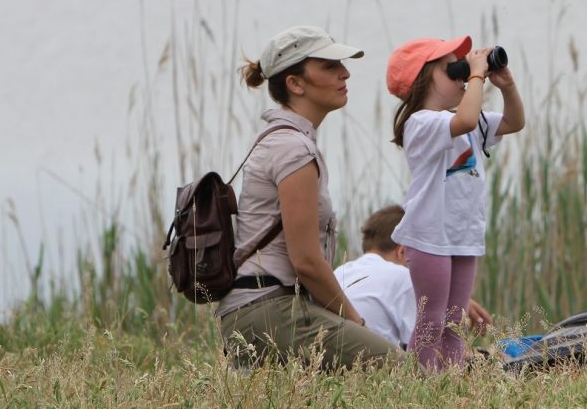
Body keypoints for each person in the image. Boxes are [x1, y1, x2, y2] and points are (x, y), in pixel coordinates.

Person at [217, 26, 398, 370]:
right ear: (295, 84)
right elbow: (306, 262)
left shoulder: (287, 141)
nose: (344, 73)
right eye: (329, 67)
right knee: (398, 372)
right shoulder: (292, 149)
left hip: (260, 310)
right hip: (269, 310)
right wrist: (356, 324)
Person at [385, 36, 525, 370]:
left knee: (453, 322)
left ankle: (451, 383)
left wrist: (506, 86)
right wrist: (476, 75)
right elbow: (461, 120)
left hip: (463, 235)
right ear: (423, 80)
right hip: (430, 236)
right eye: (454, 69)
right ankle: (421, 386)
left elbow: (514, 122)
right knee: (431, 320)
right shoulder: (421, 123)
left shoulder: (469, 120)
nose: (463, 75)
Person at [334, 205, 494, 347]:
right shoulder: (403, 277)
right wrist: (488, 356)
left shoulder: (340, 271)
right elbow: (430, 350)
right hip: (375, 369)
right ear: (402, 251)